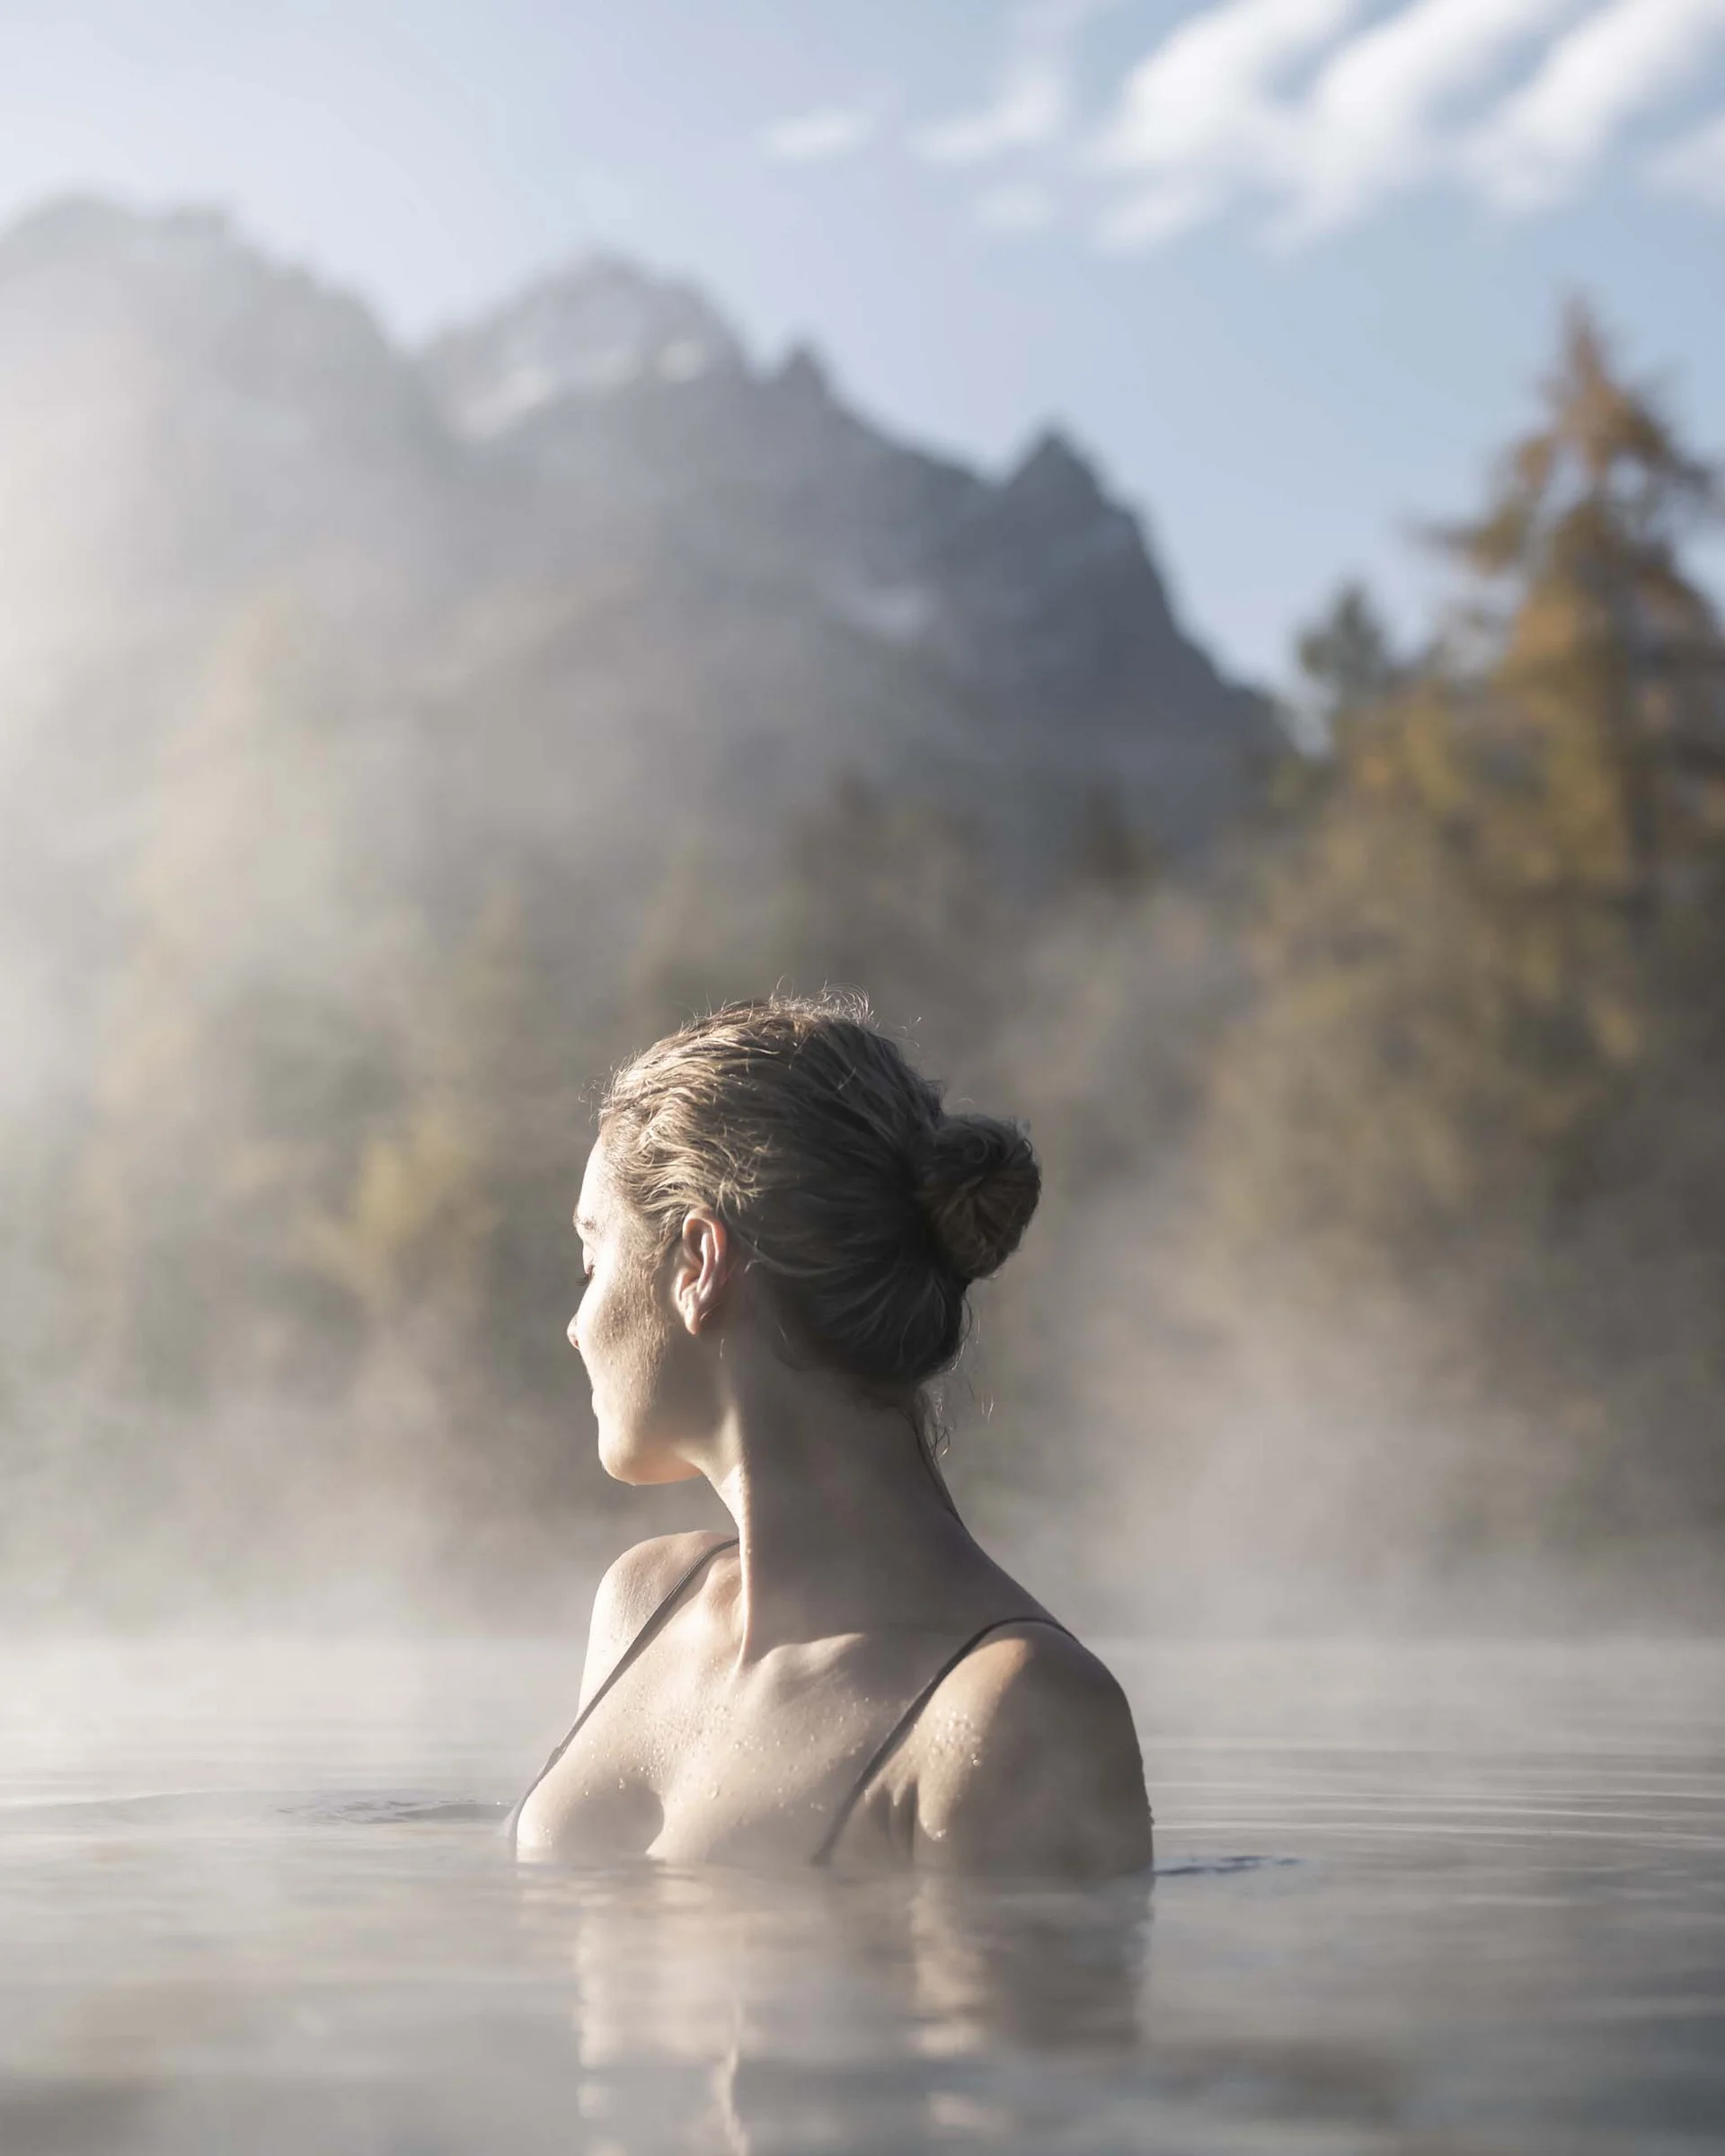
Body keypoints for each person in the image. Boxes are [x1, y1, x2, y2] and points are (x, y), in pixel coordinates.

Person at [510, 994, 1152, 1876]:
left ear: (698, 1263)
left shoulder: (1014, 1712)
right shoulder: (645, 1607)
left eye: (592, 1260)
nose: (576, 1325)